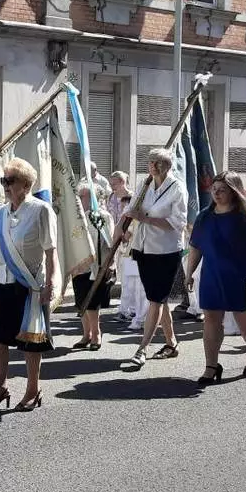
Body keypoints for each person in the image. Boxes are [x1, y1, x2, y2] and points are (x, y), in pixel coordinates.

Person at [0, 158, 55, 412]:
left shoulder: (41, 210)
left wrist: (50, 286)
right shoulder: (0, 213)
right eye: (4, 181)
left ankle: (33, 389)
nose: (5, 186)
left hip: (30, 286)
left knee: (30, 343)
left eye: (10, 181)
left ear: (26, 184)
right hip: (3, 286)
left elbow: (50, 252)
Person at [185, 172, 246, 385]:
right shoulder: (204, 216)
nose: (216, 193)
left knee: (244, 322)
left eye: (222, 189)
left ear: (234, 191)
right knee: (211, 321)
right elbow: (195, 248)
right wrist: (189, 273)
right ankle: (211, 365)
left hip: (243, 277)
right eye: (214, 189)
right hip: (212, 276)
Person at [121, 149, 187, 367]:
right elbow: (132, 209)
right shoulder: (145, 184)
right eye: (150, 162)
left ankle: (142, 348)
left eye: (157, 163)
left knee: (156, 300)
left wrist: (145, 218)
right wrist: (126, 228)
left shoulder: (177, 188)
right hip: (143, 248)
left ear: (167, 166)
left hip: (165, 251)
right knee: (158, 297)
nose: (152, 166)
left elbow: (178, 223)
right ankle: (171, 342)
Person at [71, 181, 114, 350]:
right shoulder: (75, 216)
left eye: (82, 196)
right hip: (78, 265)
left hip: (95, 266)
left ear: (93, 198)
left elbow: (109, 242)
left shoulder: (102, 216)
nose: (79, 199)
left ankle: (96, 334)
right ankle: (86, 334)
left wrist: (111, 264)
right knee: (81, 301)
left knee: (92, 302)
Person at [116, 196, 149, 328]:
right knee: (131, 286)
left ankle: (141, 318)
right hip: (131, 254)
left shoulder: (144, 215)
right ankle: (134, 313)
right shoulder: (133, 219)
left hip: (144, 254)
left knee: (141, 289)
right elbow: (127, 237)